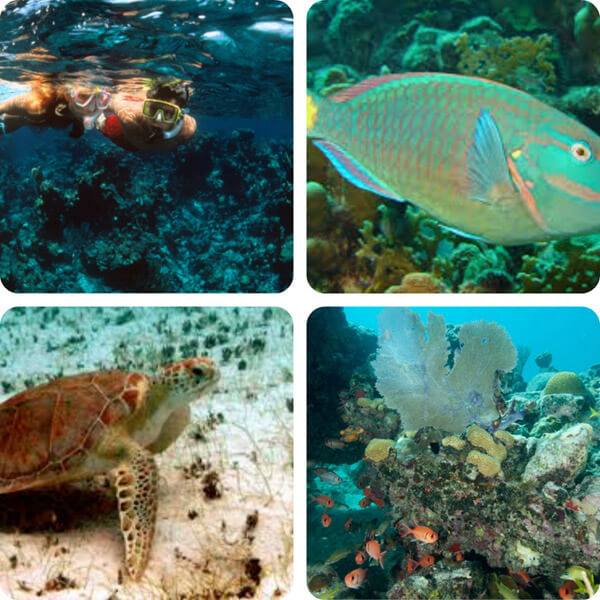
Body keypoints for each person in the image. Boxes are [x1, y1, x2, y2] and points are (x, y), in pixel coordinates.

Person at [99, 82, 196, 152]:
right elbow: (108, 102)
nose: (158, 118)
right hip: (124, 137)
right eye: (154, 109)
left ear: (179, 115)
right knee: (104, 124)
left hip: (134, 140)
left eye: (168, 113)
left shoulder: (187, 130)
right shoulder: (128, 116)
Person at [0, 79, 85, 137]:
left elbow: (79, 121)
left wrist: (79, 128)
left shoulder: (79, 110)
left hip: (26, 119)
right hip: (26, 115)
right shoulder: (35, 104)